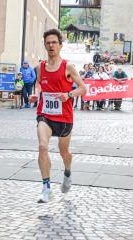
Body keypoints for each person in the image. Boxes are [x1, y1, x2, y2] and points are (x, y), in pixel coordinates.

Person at [28, 29, 86, 203]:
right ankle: (46, 188)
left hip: (64, 117)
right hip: (45, 114)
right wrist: (36, 94)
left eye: (54, 42)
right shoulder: (40, 67)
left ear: (60, 45)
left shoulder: (67, 67)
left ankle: (67, 172)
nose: (51, 45)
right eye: (48, 43)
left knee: (64, 152)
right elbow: (39, 84)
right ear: (45, 45)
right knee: (43, 147)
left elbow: (83, 88)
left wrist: (68, 95)